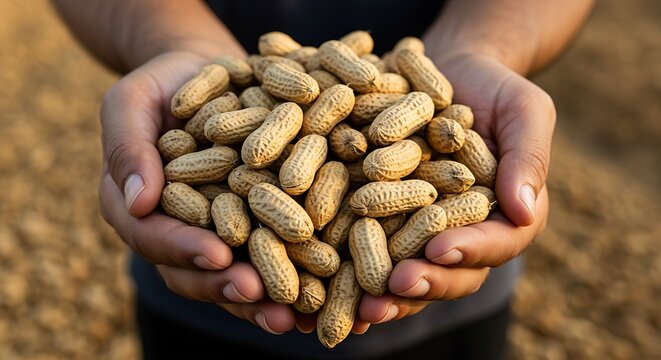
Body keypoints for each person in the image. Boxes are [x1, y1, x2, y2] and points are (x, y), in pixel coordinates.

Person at [51, 0, 594, 359]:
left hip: (451, 309)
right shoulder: (277, 131)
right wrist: (169, 42)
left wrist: (486, 45)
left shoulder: (402, 136)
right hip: (197, 302)